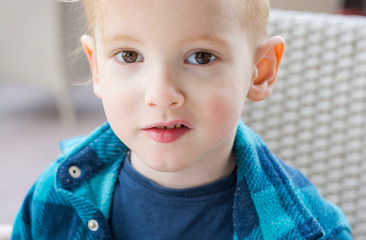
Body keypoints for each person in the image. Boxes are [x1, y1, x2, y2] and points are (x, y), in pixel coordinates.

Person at [12, 0, 352, 239]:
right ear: (97, 68)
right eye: (129, 55)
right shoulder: (53, 198)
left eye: (201, 57)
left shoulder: (309, 227)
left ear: (260, 72)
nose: (160, 94)